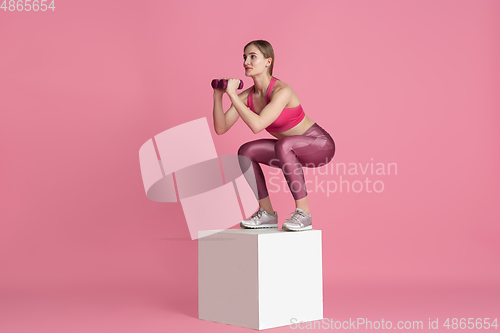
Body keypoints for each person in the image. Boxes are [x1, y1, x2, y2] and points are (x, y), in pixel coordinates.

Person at [212, 40, 335, 231]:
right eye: (245, 57)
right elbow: (221, 128)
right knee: (246, 151)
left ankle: (304, 214)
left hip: (320, 146)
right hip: (289, 149)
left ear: (268, 62)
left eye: (253, 57)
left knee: (284, 145)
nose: (246, 62)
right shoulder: (248, 96)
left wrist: (233, 95)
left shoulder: (282, 91)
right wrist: (218, 96)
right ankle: (267, 213)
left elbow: (257, 125)